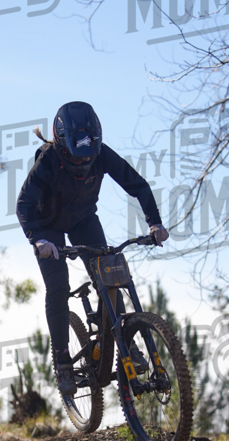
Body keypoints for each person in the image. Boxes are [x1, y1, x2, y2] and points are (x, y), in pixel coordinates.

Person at [16, 101, 169, 396]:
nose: (82, 165)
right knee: (59, 286)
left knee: (110, 274)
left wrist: (155, 223)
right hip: (47, 226)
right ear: (62, 147)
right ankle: (63, 362)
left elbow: (137, 184)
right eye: (75, 160)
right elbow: (23, 203)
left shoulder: (101, 154)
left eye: (87, 161)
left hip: (83, 219)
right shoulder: (47, 160)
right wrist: (37, 239)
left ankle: (128, 343)